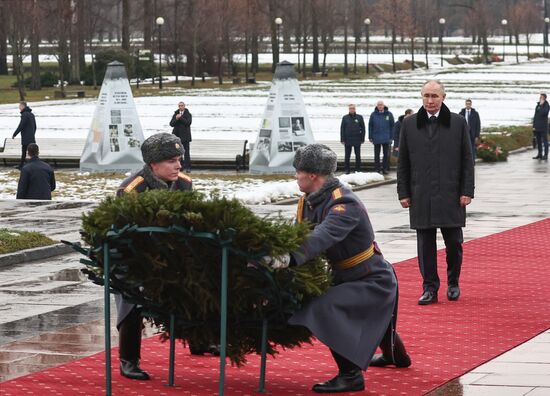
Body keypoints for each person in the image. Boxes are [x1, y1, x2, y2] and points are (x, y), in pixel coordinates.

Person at [264, 144, 410, 393]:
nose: (295, 176)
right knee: (377, 319)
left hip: (371, 279)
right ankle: (396, 355)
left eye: (298, 171)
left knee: (323, 308)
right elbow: (296, 233)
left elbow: (322, 236)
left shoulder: (344, 204)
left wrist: (287, 257)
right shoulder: (309, 201)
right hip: (344, 276)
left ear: (313, 175)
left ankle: (351, 375)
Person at [116, 133, 217, 380]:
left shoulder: (184, 183)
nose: (179, 165)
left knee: (202, 279)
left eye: (179, 159)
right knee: (132, 296)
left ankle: (199, 340)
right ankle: (128, 359)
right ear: (153, 164)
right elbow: (129, 236)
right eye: (171, 161)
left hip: (171, 256)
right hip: (134, 259)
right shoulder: (132, 190)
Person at [397, 80, 475, 306]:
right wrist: (403, 192)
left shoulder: (458, 123)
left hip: (451, 195)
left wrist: (466, 191)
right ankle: (429, 287)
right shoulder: (410, 124)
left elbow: (467, 160)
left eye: (434, 96)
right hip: (421, 194)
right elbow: (403, 162)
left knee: (454, 243)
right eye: (426, 96)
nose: (430, 101)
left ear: (443, 97)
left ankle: (453, 282)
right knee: (425, 246)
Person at [368, 100, 395, 174]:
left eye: (381, 105)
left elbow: (392, 126)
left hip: (386, 137)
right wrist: (370, 136)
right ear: (377, 106)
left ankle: (385, 169)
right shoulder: (373, 114)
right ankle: (377, 169)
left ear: (384, 105)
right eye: (379, 105)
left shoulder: (389, 114)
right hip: (376, 137)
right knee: (376, 154)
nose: (380, 106)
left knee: (385, 155)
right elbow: (370, 126)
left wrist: (391, 137)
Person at [340, 104, 366, 174]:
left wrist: (362, 138)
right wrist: (342, 139)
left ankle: (358, 169)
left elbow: (363, 128)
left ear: (355, 109)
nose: (352, 110)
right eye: (350, 108)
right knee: (347, 155)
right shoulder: (345, 118)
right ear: (349, 109)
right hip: (347, 139)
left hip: (357, 139)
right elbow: (342, 129)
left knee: (357, 155)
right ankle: (347, 169)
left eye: (353, 108)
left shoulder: (359, 117)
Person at [12, 101, 37, 170]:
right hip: (31, 137)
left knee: (24, 151)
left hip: (26, 137)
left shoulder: (25, 114)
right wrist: (32, 134)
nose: (19, 107)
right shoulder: (31, 114)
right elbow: (35, 126)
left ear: (23, 106)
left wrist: (15, 134)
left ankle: (21, 166)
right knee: (31, 152)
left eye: (19, 106)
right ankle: (27, 165)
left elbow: (21, 126)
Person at [170, 101, 193, 172]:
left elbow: (188, 123)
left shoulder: (188, 114)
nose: (180, 107)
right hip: (177, 137)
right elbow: (171, 124)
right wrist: (176, 119)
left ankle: (188, 167)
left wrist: (180, 118)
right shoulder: (175, 114)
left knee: (186, 153)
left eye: (182, 106)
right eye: (179, 106)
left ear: (184, 106)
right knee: (178, 153)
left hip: (185, 137)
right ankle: (181, 167)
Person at [532, 93, 549, 160]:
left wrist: (541, 105)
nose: (540, 98)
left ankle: (546, 155)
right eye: (540, 97)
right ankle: (539, 154)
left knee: (545, 141)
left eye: (542, 97)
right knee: (538, 141)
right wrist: (534, 126)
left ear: (544, 98)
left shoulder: (546, 105)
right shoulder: (538, 105)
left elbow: (544, 113)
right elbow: (535, 116)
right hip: (537, 127)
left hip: (543, 127)